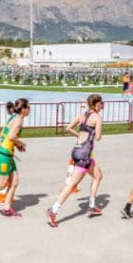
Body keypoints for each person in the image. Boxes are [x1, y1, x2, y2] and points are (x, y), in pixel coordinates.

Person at [47, 94, 104, 227]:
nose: (102, 106)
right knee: (72, 185)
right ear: (95, 105)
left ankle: (91, 206)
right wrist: (94, 131)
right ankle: (53, 210)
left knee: (98, 175)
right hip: (84, 153)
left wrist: (80, 135)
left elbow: (68, 128)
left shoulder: (82, 115)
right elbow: (99, 137)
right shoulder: (97, 117)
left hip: (78, 150)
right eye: (101, 103)